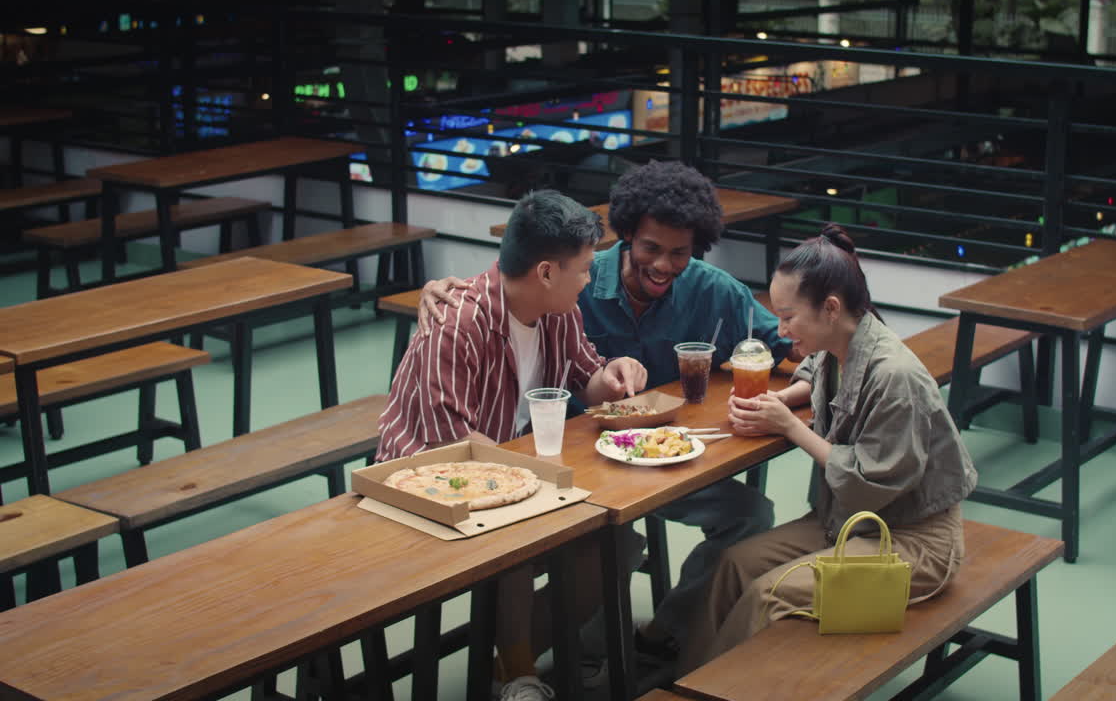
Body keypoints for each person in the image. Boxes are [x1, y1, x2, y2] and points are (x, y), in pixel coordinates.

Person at [417, 161, 807, 668]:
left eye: (679, 253)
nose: (664, 265)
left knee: (751, 514)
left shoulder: (714, 291)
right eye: (651, 248)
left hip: (665, 458)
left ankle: (663, 632)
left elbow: (790, 340)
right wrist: (437, 290)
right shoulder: (575, 283)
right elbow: (510, 287)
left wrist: (819, 374)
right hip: (577, 463)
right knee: (613, 543)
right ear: (626, 236)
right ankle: (584, 653)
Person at [378, 189, 648, 701]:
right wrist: (532, 475)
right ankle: (521, 674)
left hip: (508, 474)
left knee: (615, 545)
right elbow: (448, 445)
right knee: (521, 544)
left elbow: (584, 373)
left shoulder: (557, 308)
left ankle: (510, 657)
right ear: (546, 271)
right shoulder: (457, 323)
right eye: (585, 269)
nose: (591, 279)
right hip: (422, 483)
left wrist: (608, 379)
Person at [678, 224, 977, 675]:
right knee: (733, 564)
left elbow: (869, 486)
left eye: (788, 317)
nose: (779, 330)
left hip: (912, 540)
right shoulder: (842, 344)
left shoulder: (896, 375)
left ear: (831, 309)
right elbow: (814, 370)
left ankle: (731, 686)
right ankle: (690, 679)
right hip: (848, 524)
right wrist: (782, 399)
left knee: (768, 592)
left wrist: (791, 429)